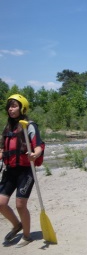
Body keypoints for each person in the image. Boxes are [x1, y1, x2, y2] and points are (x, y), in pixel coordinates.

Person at [0, 94, 44, 247]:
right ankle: (17, 225)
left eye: (14, 106)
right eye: (9, 106)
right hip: (10, 170)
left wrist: (35, 153)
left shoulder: (29, 126)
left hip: (26, 171)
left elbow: (38, 145)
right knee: (1, 203)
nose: (11, 109)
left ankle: (26, 235)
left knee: (20, 204)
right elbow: (2, 148)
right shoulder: (7, 127)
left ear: (22, 108)